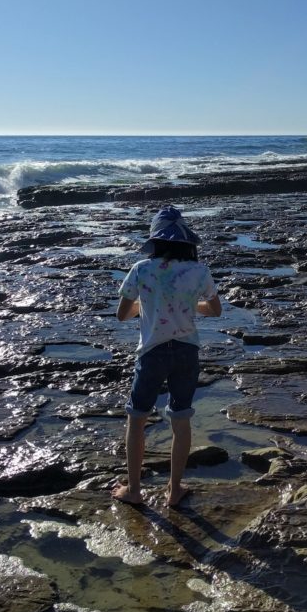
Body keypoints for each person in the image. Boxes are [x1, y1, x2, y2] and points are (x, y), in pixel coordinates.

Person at [112, 205, 222, 507]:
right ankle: (174, 490)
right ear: (185, 239)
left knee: (137, 419)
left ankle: (134, 491)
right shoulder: (199, 271)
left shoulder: (141, 269)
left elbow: (123, 315)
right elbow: (215, 310)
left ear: (155, 239)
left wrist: (148, 308)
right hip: (186, 352)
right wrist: (188, 307)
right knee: (181, 419)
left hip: (152, 351)